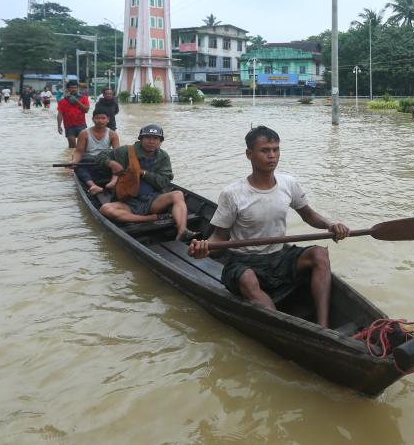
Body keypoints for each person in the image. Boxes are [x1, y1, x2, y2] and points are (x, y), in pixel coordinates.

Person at [188, 125, 350, 327]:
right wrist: (203, 248)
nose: (272, 156)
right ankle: (283, 326)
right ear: (249, 154)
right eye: (265, 150)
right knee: (247, 279)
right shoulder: (233, 193)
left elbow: (309, 216)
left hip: (278, 257)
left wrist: (330, 225)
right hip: (244, 261)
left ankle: (323, 327)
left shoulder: (288, 183)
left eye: (276, 149)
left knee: (319, 254)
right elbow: (220, 237)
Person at [97, 123, 193, 242]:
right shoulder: (125, 151)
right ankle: (148, 218)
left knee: (178, 194)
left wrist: (143, 173)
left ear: (160, 141)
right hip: (128, 202)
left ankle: (182, 230)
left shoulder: (163, 156)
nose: (151, 141)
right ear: (141, 139)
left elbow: (163, 182)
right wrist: (111, 163)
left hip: (153, 200)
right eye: (148, 138)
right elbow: (100, 157)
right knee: (105, 209)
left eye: (155, 138)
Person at [72, 111, 120, 194]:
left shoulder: (112, 134)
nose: (100, 121)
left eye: (103, 118)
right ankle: (92, 185)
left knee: (117, 164)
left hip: (104, 160)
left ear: (108, 120)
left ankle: (114, 181)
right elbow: (78, 152)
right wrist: (74, 162)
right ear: (93, 119)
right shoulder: (84, 133)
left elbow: (118, 153)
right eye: (97, 118)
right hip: (88, 161)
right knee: (79, 167)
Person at [56, 80, 90, 148]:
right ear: (67, 89)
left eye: (75, 87)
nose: (73, 89)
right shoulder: (63, 101)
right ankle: (71, 158)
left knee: (83, 146)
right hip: (69, 126)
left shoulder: (83, 98)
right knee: (72, 147)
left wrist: (77, 101)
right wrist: (59, 126)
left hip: (81, 125)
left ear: (78, 88)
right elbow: (60, 114)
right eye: (71, 87)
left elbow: (86, 110)